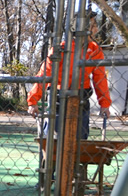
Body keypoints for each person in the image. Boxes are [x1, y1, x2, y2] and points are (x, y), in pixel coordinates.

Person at [27, 11, 111, 140]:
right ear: (81, 27)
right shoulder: (61, 49)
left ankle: (75, 157)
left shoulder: (95, 50)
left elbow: (100, 78)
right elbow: (44, 74)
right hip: (58, 96)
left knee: (80, 136)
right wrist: (32, 101)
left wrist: (104, 104)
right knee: (52, 134)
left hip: (81, 96)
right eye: (93, 25)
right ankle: (51, 155)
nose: (96, 29)